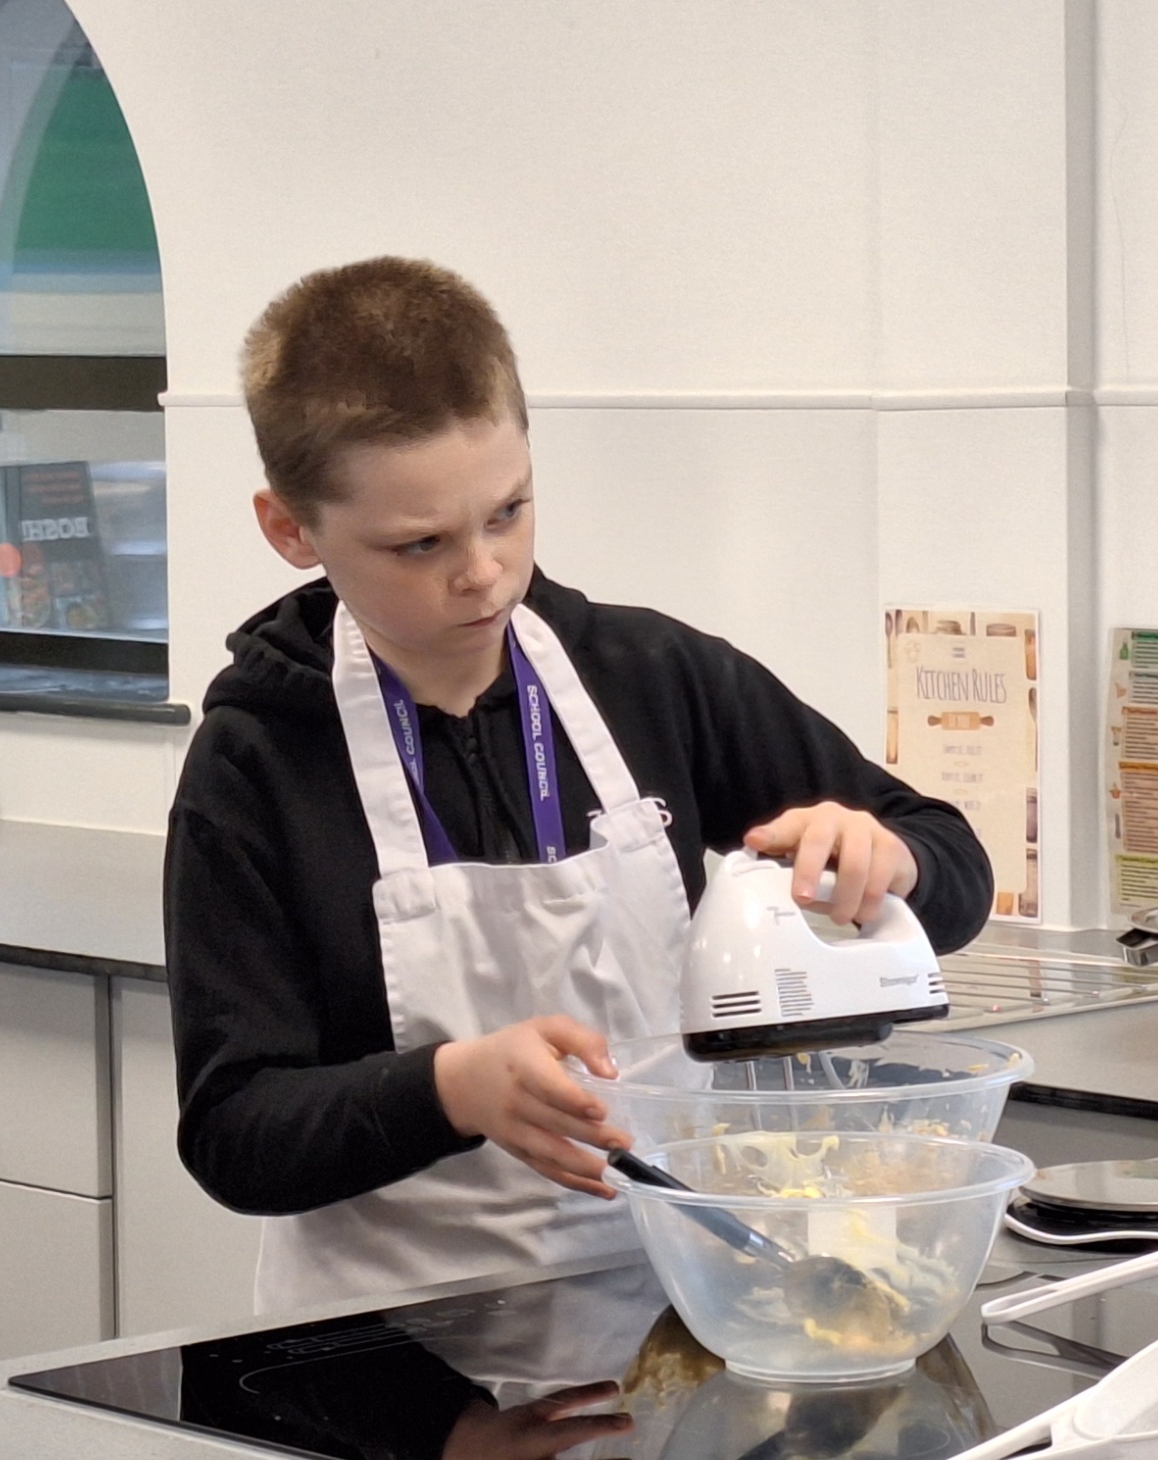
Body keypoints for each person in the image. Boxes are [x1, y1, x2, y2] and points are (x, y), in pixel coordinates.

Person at [166, 255, 994, 1315]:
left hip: (678, 1309)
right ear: (290, 529)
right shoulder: (256, 764)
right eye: (417, 543)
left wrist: (896, 861)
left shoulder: (653, 678)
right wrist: (448, 1089)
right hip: (391, 1355)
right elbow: (236, 1134)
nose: (481, 572)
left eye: (507, 513)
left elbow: (953, 865)